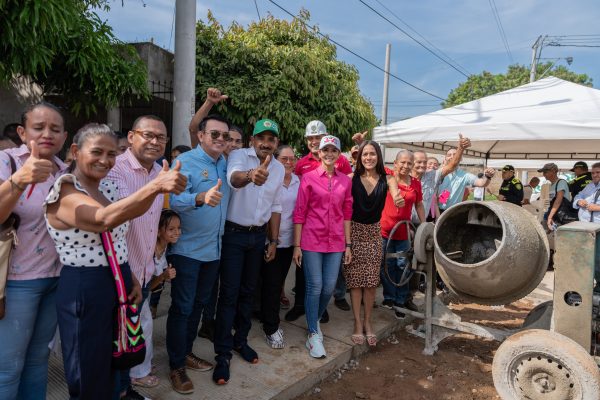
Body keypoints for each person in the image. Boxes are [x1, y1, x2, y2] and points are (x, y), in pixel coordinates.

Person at [44, 123, 186, 400]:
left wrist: (128, 276)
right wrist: (155, 186)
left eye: (111, 154)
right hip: (85, 286)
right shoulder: (65, 190)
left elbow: (122, 228)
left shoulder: (108, 186)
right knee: (88, 374)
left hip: (117, 278)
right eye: (97, 152)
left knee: (114, 363)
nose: (105, 160)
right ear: (75, 151)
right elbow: (103, 220)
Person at [0, 102, 67, 399]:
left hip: (56, 278)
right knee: (8, 366)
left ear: (65, 137)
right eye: (38, 128)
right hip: (17, 281)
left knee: (39, 360)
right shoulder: (7, 162)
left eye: (55, 129)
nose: (47, 134)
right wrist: (19, 180)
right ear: (22, 131)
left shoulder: (65, 171)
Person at [106, 115, 173, 398]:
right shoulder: (114, 169)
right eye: (148, 135)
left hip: (142, 273)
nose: (155, 141)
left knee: (128, 339)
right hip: (117, 274)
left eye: (161, 137)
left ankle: (124, 389)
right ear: (132, 136)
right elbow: (114, 218)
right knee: (110, 340)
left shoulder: (161, 171)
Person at [213, 118, 284, 384]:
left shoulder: (277, 169)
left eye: (271, 139)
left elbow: (276, 206)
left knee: (247, 292)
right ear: (253, 140)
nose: (266, 143)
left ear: (276, 143)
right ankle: (222, 353)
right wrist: (251, 176)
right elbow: (234, 180)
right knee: (229, 295)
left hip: (258, 238)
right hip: (234, 235)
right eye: (261, 138)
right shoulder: (239, 156)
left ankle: (240, 341)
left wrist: (274, 241)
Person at [168, 114, 231, 394]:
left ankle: (186, 353)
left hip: (213, 250)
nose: (220, 140)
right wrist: (198, 197)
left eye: (225, 136)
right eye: (215, 134)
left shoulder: (223, 163)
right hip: (187, 251)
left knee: (198, 305)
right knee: (182, 308)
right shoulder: (186, 163)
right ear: (201, 135)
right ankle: (176, 366)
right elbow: (170, 199)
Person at [286, 120, 352, 323]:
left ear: (339, 153)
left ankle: (317, 311)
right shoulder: (304, 167)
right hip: (311, 235)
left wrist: (348, 244)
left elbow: (347, 209)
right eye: (311, 138)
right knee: (310, 282)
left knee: (328, 285)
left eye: (333, 150)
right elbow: (299, 206)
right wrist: (297, 244)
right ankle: (307, 316)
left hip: (335, 238)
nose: (315, 142)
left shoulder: (343, 173)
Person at [344, 141, 401, 347]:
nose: (368, 158)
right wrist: (347, 243)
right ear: (360, 158)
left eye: (372, 154)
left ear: (378, 156)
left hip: (374, 235)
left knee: (370, 283)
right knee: (355, 282)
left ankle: (368, 322)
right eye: (365, 154)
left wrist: (398, 198)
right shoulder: (351, 179)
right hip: (353, 233)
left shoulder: (388, 179)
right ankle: (357, 323)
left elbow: (395, 192)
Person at [259, 144, 299, 349]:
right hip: (270, 240)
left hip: (290, 241)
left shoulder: (297, 181)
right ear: (276, 159)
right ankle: (271, 327)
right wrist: (271, 238)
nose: (289, 162)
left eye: (292, 158)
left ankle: (265, 314)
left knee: (278, 282)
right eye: (284, 159)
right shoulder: (270, 179)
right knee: (271, 284)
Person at [380, 150, 425, 319]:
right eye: (403, 163)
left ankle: (400, 301)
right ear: (395, 163)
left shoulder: (415, 184)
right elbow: (373, 161)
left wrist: (424, 224)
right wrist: (360, 144)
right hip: (384, 231)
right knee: (385, 265)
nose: (406, 166)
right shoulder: (388, 176)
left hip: (403, 232)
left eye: (409, 163)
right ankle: (389, 297)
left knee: (403, 266)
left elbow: (419, 204)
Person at [411, 134, 471, 223]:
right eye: (419, 162)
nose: (423, 165)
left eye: (424, 162)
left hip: (438, 214)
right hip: (406, 224)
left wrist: (461, 148)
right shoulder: (404, 178)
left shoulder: (434, 176)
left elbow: (466, 193)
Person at [437, 148, 495, 213]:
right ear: (445, 158)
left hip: (453, 212)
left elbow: (482, 183)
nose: (452, 157)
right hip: (437, 211)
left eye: (455, 155)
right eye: (449, 155)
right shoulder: (439, 173)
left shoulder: (465, 175)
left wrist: (488, 176)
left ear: (460, 158)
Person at [572, 162, 600, 292]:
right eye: (593, 173)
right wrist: (579, 201)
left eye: (598, 172)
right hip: (586, 228)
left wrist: (598, 207)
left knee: (598, 260)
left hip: (598, 229)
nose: (594, 175)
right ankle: (586, 285)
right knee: (586, 258)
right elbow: (578, 196)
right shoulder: (589, 186)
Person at [539, 162, 571, 231]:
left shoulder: (561, 182)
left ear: (553, 171)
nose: (544, 174)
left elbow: (558, 201)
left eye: (545, 172)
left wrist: (550, 217)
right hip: (551, 216)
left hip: (560, 217)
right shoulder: (549, 185)